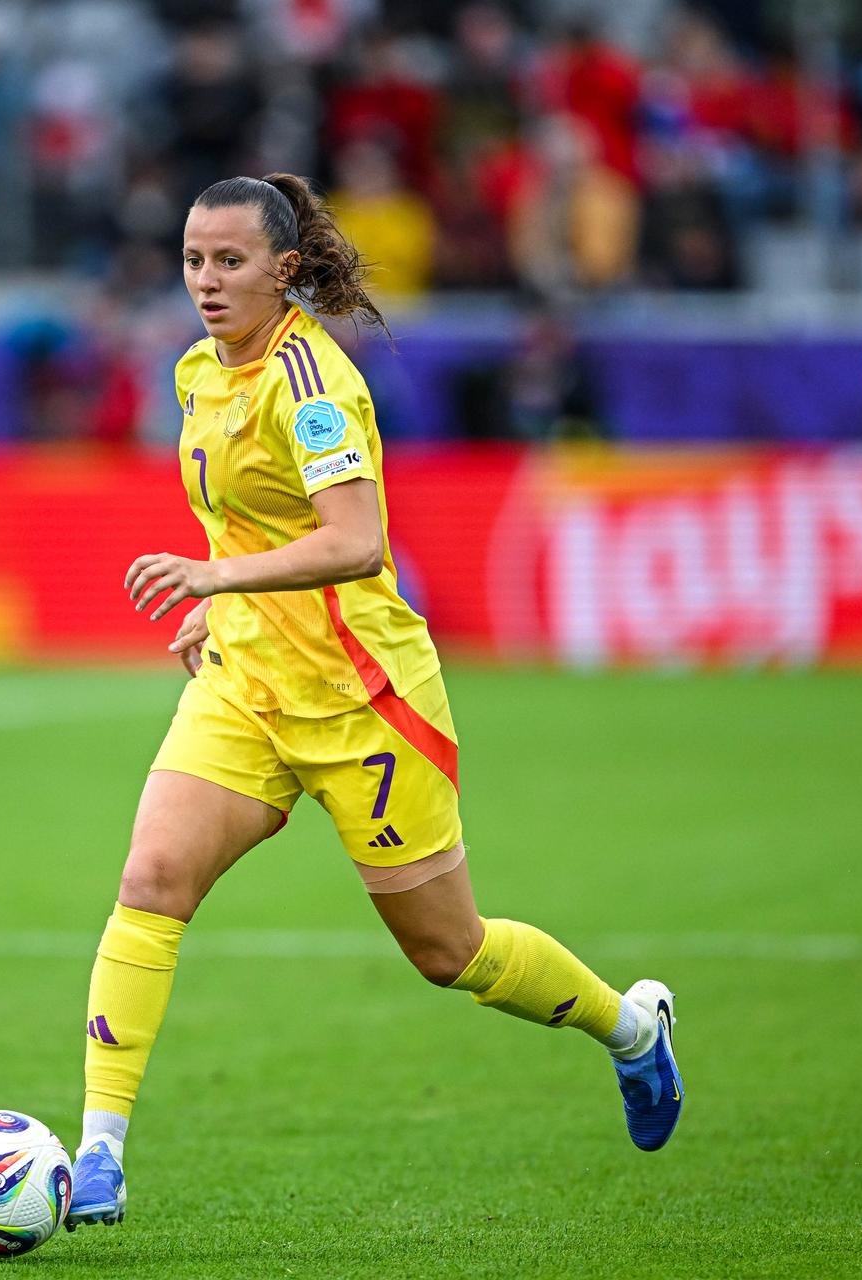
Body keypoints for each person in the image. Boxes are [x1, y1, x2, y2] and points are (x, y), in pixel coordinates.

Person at [64, 173, 685, 1230]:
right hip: (249, 687)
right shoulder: (195, 372)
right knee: (152, 876)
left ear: (283, 268)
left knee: (451, 952)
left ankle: (629, 1027)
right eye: (192, 260)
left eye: (229, 261)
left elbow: (356, 541)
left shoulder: (315, 384)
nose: (206, 282)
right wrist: (223, 611)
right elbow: (246, 525)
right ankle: (98, 1152)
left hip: (366, 703)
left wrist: (216, 583)